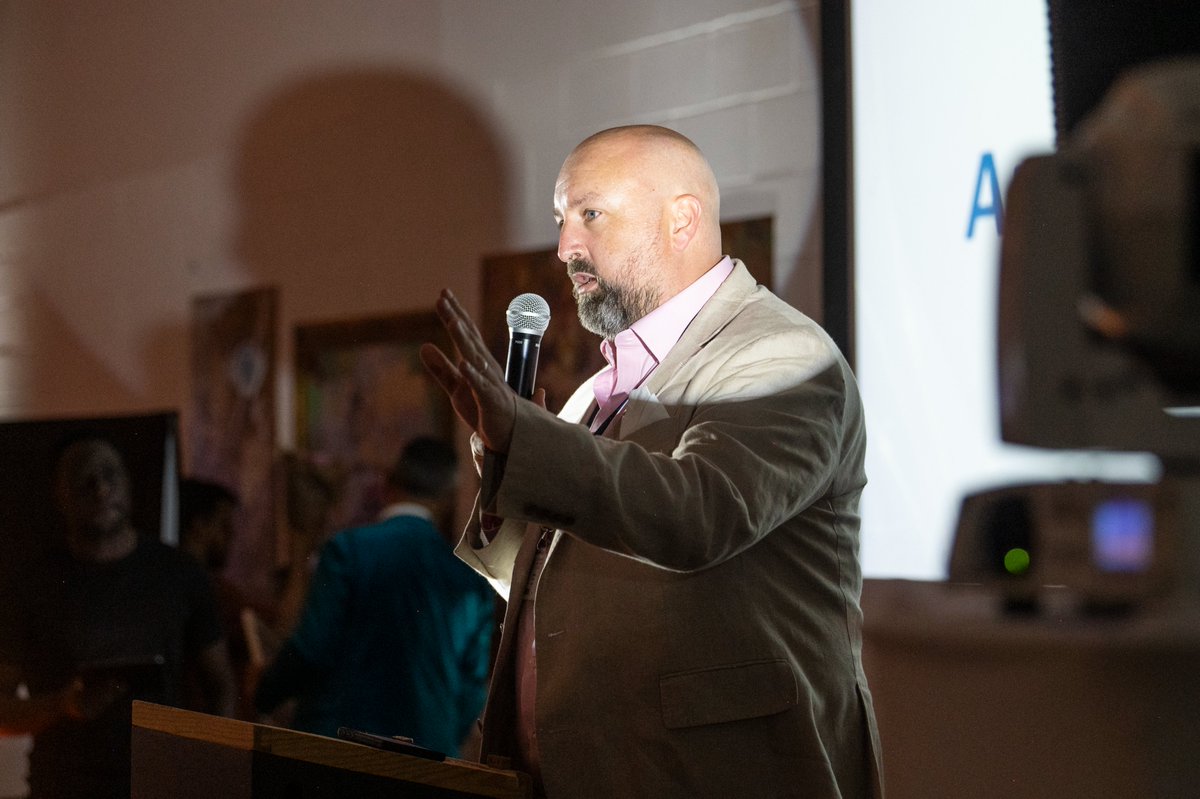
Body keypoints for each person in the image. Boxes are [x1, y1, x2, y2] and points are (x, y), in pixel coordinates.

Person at [420, 125, 883, 798]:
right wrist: (504, 473)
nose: (564, 248)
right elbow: (569, 588)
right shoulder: (595, 391)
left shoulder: (782, 356)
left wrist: (532, 443)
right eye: (560, 221)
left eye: (590, 214)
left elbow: (698, 511)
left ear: (682, 218)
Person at [0, 434, 237, 799]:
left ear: (128, 484)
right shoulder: (32, 586)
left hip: (160, 782)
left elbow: (220, 685)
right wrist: (62, 704)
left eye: (110, 475)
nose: (101, 490)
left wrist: (211, 768)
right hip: (63, 786)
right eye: (85, 480)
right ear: (60, 495)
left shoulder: (178, 574)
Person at [253, 437, 494, 758]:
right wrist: (441, 733)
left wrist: (263, 694)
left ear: (387, 484)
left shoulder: (348, 551)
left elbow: (312, 648)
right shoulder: (468, 576)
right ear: (447, 499)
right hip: (429, 756)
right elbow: (472, 686)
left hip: (339, 747)